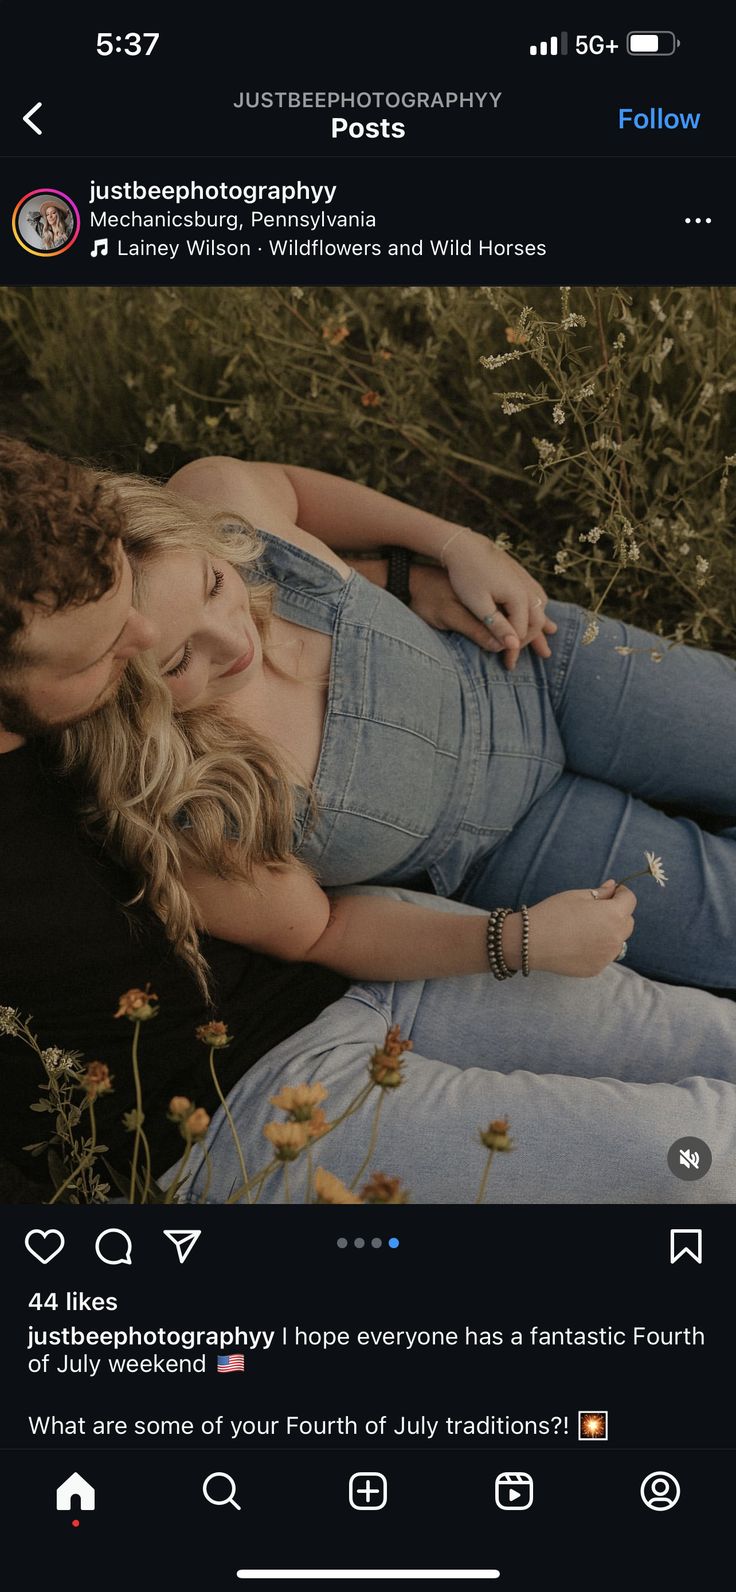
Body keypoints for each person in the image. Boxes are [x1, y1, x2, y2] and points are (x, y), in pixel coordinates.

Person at [44, 447, 736, 1202]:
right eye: (182, 661)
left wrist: (448, 548)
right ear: (122, 682)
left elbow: (288, 488)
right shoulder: (198, 802)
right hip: (515, 840)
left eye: (216, 585)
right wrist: (520, 939)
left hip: (541, 665)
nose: (232, 638)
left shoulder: (214, 503)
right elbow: (323, 930)